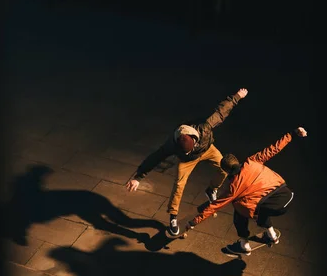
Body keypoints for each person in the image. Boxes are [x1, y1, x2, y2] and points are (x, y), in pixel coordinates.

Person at [125, 88, 249, 236]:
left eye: (190, 149)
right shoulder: (172, 144)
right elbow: (155, 157)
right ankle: (173, 217)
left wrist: (237, 97)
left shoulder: (204, 127)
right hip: (187, 162)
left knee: (224, 167)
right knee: (179, 184)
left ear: (195, 139)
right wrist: (138, 178)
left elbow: (221, 112)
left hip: (208, 150)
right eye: (185, 151)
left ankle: (211, 189)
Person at [185, 126, 308, 255]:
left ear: (227, 171)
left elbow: (215, 206)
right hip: (286, 195)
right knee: (258, 203)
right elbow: (273, 149)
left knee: (239, 206)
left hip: (273, 206)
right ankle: (271, 234)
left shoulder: (234, 188)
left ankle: (244, 244)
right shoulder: (252, 161)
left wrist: (194, 221)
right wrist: (292, 134)